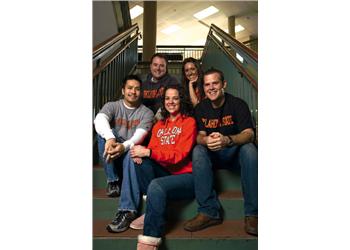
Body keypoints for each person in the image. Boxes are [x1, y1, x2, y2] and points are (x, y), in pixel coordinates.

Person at [183, 68, 258, 236]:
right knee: (198, 150)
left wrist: (227, 140)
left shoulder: (238, 104)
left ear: (224, 84)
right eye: (207, 84)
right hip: (213, 155)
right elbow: (199, 136)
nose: (211, 88)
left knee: (250, 150)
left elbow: (249, 134)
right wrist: (207, 141)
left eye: (215, 83)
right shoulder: (201, 108)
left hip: (234, 154)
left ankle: (253, 214)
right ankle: (209, 212)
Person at [130, 85, 197, 250]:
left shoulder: (189, 122)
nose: (171, 102)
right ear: (163, 101)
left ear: (181, 100)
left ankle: (149, 241)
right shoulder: (159, 125)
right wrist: (143, 154)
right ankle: (154, 206)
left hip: (186, 177)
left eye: (175, 98)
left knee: (156, 183)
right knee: (140, 161)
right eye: (167, 98)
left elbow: (178, 155)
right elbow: (153, 151)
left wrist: (150, 152)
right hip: (165, 172)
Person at [94, 75, 154, 197]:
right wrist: (110, 138)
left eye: (137, 89)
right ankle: (113, 182)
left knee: (133, 145)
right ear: (123, 90)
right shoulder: (112, 106)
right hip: (112, 155)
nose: (133, 91)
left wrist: (123, 147)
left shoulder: (147, 112)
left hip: (130, 155)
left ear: (141, 92)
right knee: (104, 134)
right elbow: (99, 119)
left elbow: (140, 136)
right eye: (129, 88)